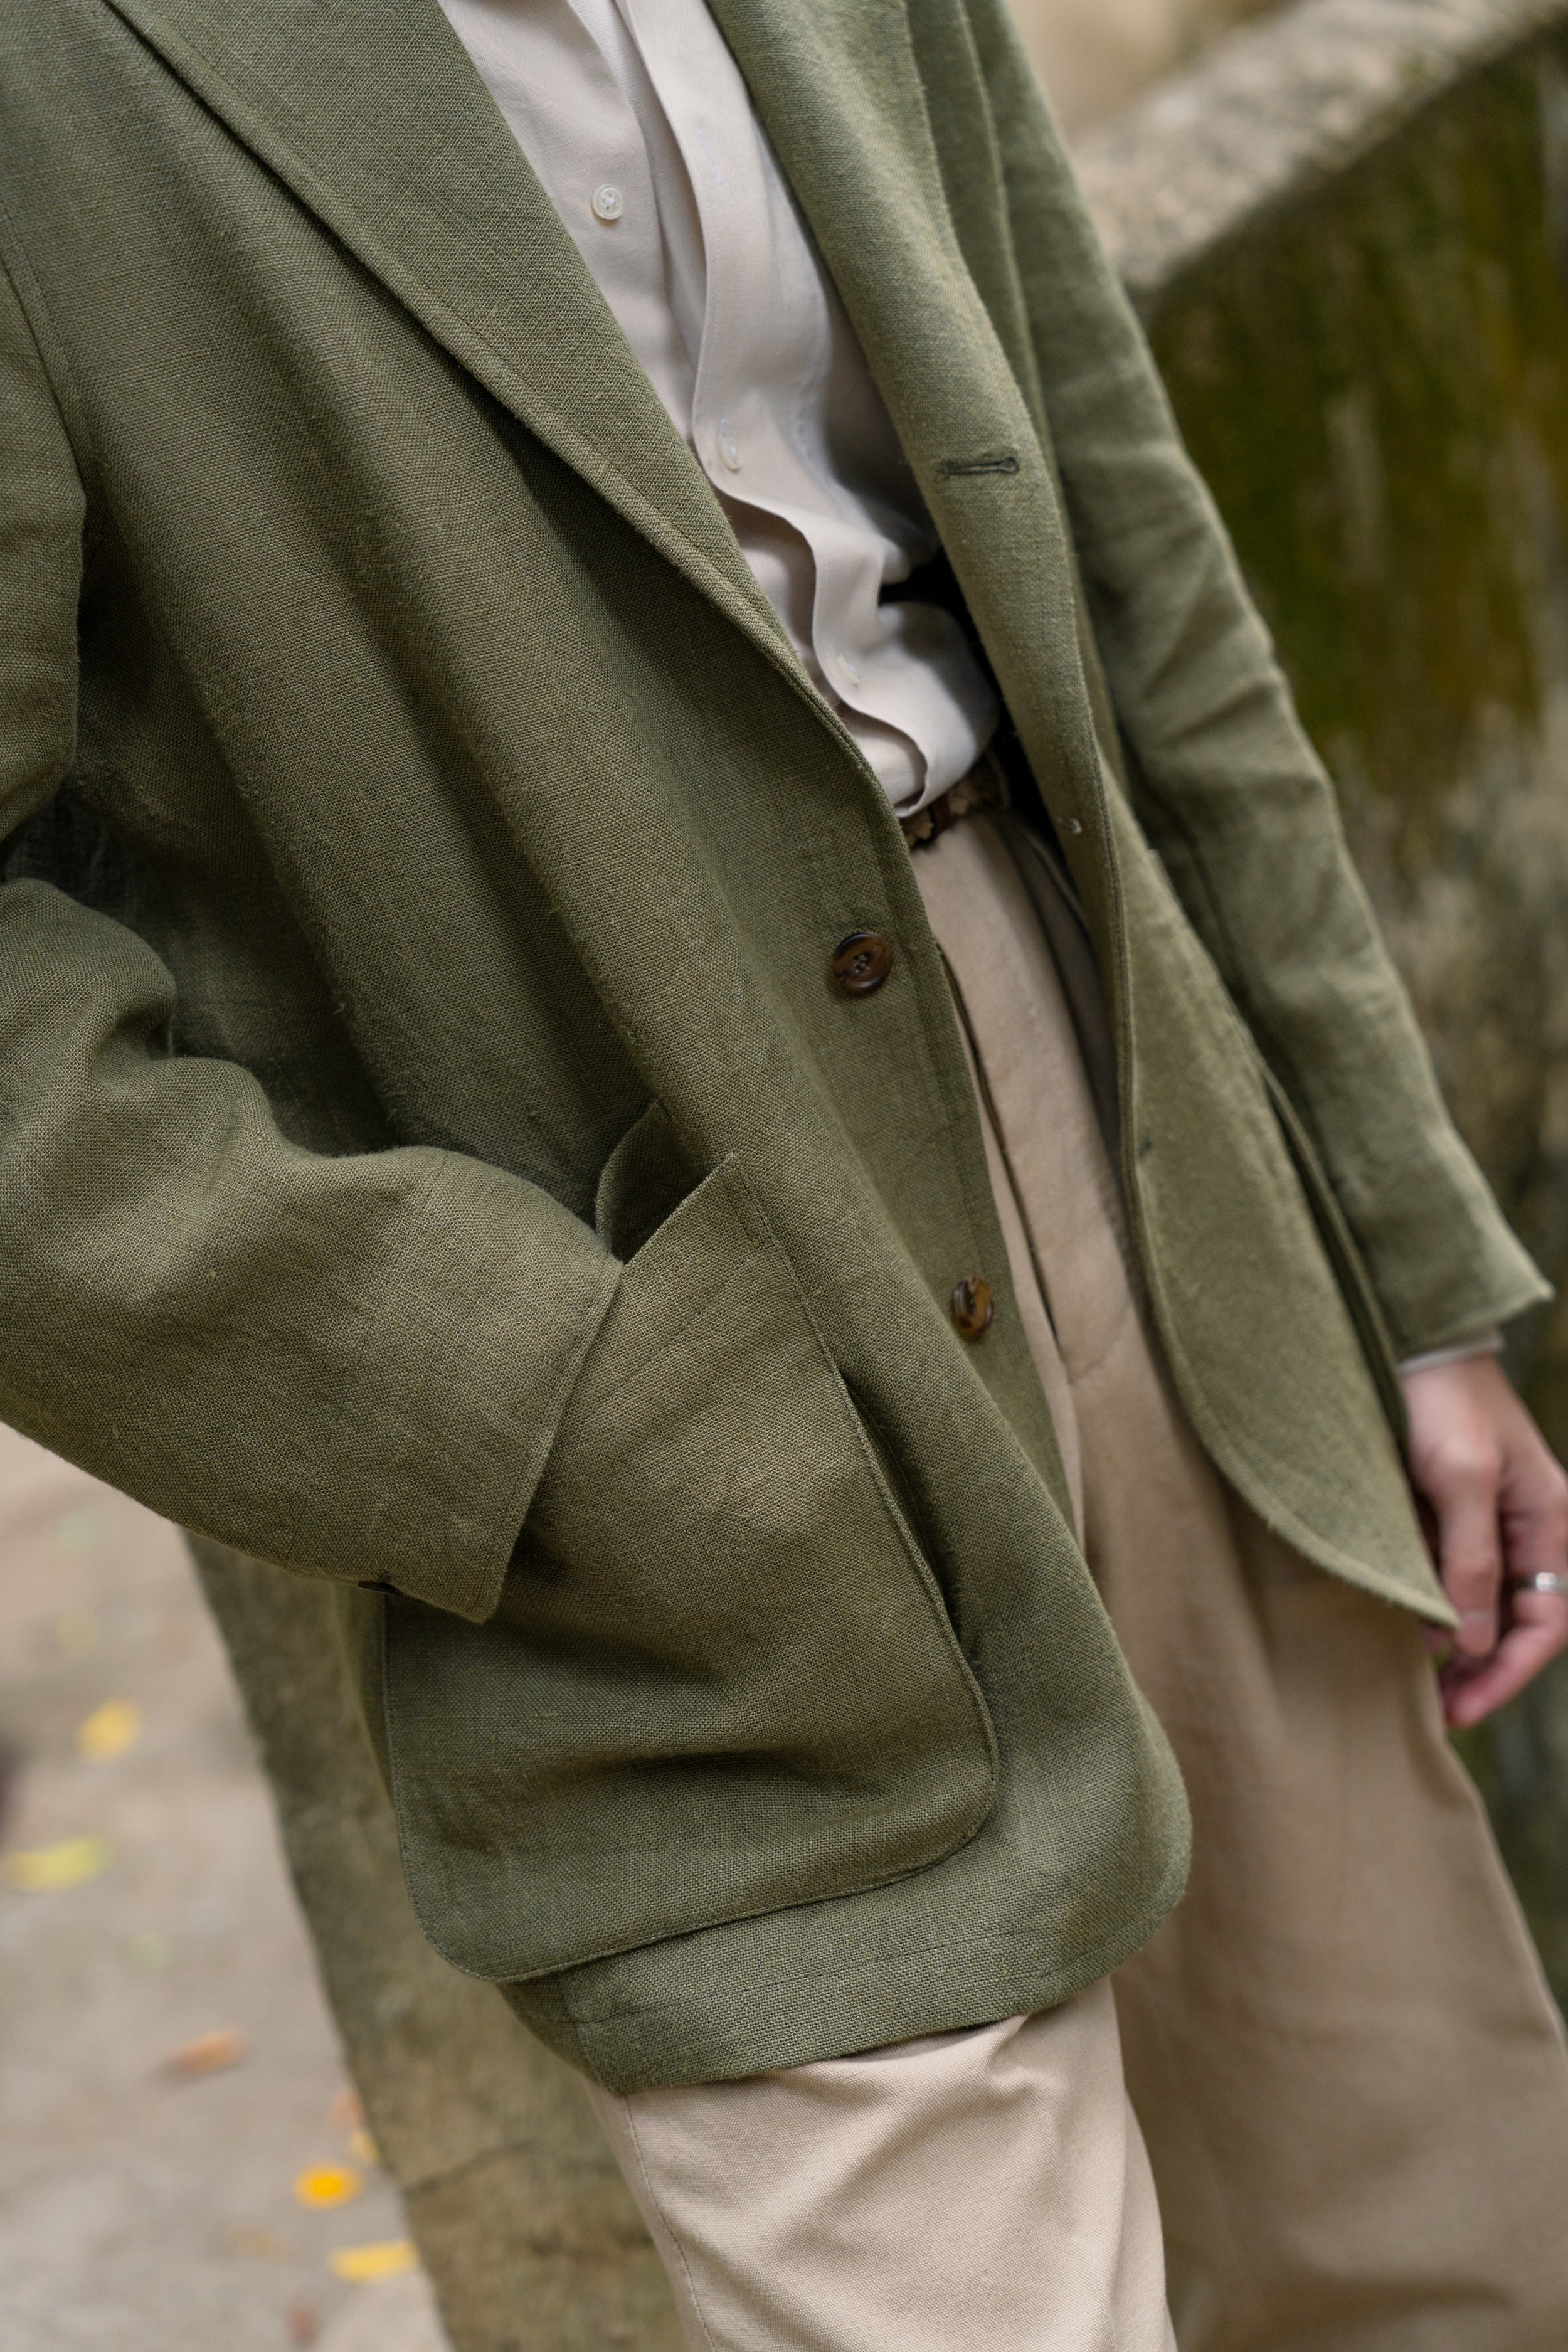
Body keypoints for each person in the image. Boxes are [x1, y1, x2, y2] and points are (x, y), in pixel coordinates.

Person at [4, 0, 1567, 2341]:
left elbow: (1104, 507)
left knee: (1418, 2259)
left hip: (1135, 1154)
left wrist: (1402, 1257)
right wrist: (525, 1393)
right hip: (658, 1315)